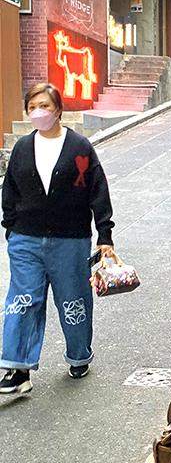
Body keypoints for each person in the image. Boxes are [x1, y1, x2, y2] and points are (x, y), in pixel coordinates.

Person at [0, 83, 116, 395]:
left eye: (45, 106)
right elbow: (10, 189)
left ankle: (79, 356)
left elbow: (98, 190)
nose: (38, 112)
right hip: (26, 240)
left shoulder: (79, 146)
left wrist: (104, 234)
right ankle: (18, 369)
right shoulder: (23, 147)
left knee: (73, 299)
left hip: (70, 240)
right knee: (22, 301)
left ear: (58, 110)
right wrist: (11, 227)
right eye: (32, 107)